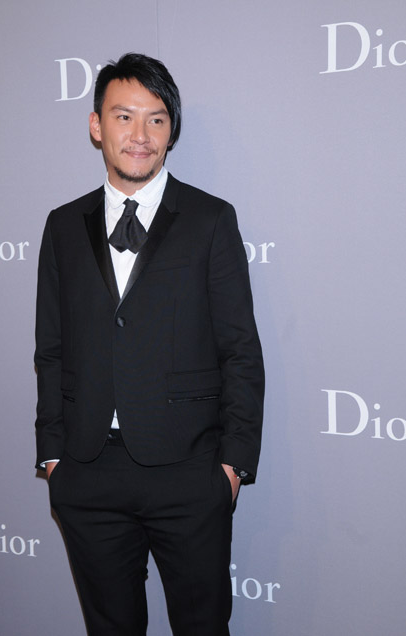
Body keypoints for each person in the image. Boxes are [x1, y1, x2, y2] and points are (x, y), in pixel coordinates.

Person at [35, 53, 264, 635]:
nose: (140, 134)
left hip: (189, 471)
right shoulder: (63, 225)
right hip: (88, 470)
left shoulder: (211, 219)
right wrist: (54, 456)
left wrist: (232, 466)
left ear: (171, 131)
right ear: (97, 125)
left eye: (156, 119)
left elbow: (240, 348)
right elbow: (51, 347)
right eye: (124, 116)